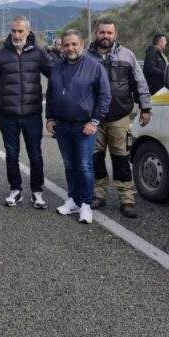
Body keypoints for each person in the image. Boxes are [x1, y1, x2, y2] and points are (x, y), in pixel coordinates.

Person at [0, 16, 52, 209]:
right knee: (12, 154)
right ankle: (15, 190)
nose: (17, 35)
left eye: (20, 31)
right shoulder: (0, 55)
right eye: (14, 31)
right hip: (8, 114)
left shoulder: (39, 53)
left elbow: (55, 75)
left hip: (32, 114)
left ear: (28, 31)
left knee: (35, 155)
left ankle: (37, 192)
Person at [88, 18, 152, 218]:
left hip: (119, 117)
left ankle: (127, 198)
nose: (105, 36)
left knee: (121, 158)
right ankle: (98, 194)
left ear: (115, 34)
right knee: (95, 158)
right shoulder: (86, 57)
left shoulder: (127, 55)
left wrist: (145, 108)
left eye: (109, 32)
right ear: (96, 33)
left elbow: (139, 82)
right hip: (93, 119)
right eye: (102, 32)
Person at [46, 30, 111, 224]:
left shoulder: (94, 66)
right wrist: (49, 118)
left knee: (84, 166)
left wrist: (95, 121)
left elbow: (105, 96)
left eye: (74, 44)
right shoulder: (57, 67)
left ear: (82, 44)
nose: (70, 48)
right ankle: (73, 199)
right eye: (66, 45)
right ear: (62, 47)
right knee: (69, 165)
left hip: (84, 127)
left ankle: (85, 204)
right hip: (62, 126)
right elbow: (50, 94)